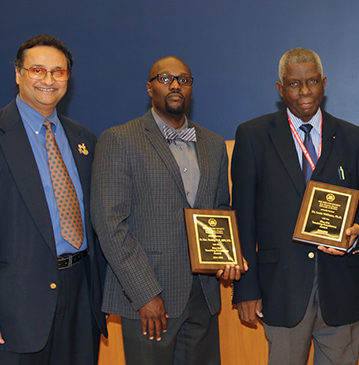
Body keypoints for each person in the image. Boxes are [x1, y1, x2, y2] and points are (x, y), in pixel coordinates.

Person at [0, 34, 107, 364]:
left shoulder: (84, 139)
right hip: (12, 311)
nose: (48, 80)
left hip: (80, 299)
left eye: (58, 72)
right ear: (18, 74)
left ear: (67, 79)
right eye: (37, 70)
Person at [231, 47, 359, 365]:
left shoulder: (352, 137)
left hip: (341, 289)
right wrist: (246, 290)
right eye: (293, 84)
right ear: (280, 88)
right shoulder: (253, 136)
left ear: (324, 83)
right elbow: (242, 218)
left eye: (312, 81)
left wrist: (356, 232)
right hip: (281, 290)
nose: (304, 91)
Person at [91, 56, 241, 365]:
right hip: (148, 299)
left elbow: (220, 210)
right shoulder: (119, 139)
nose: (175, 85)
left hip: (203, 296)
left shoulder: (213, 144)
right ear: (149, 88)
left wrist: (226, 257)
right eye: (165, 78)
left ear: (191, 89)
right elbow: (109, 224)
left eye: (183, 80)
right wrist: (145, 294)